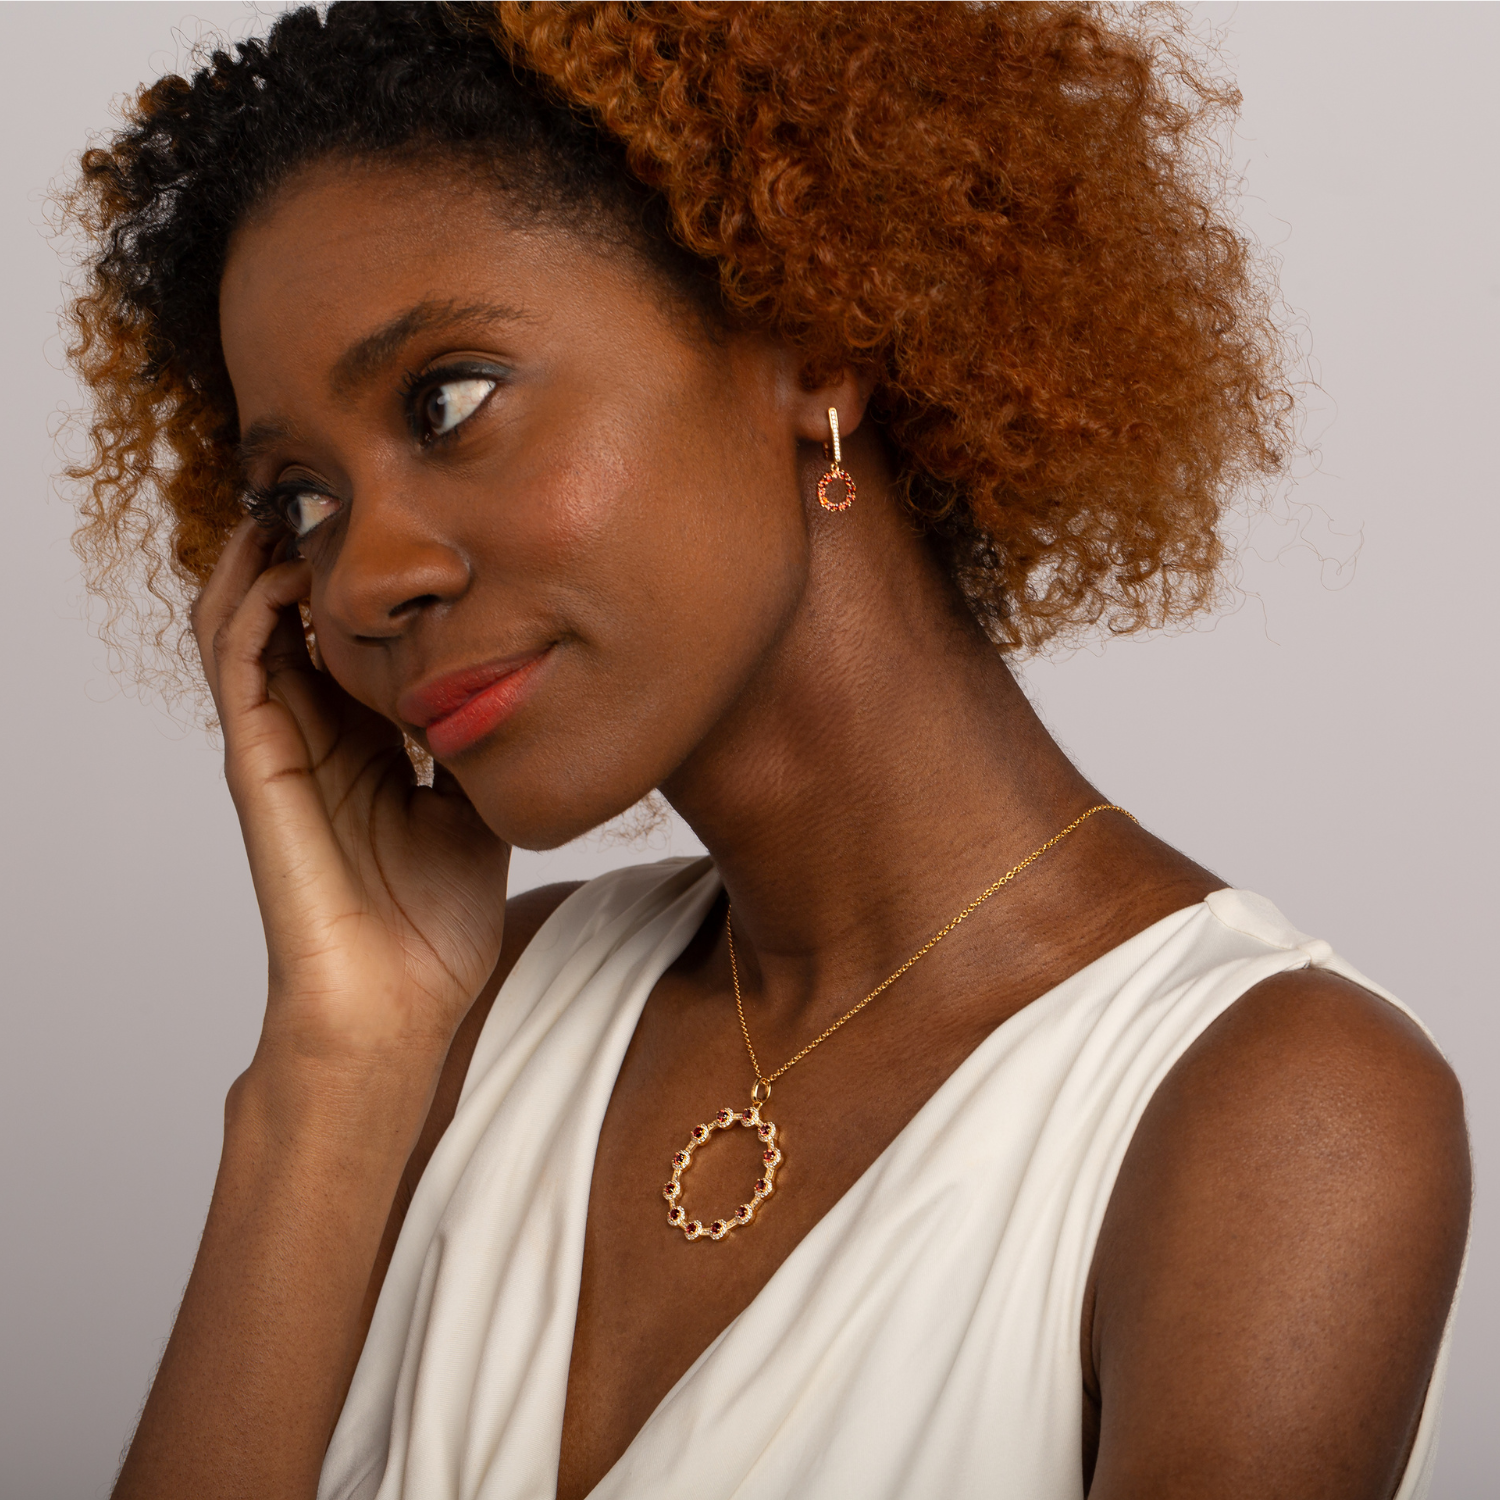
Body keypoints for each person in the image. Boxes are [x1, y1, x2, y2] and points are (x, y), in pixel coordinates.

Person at [63, 4, 1469, 1498]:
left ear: (809, 344)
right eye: (298, 502)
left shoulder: (1273, 1114)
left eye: (449, 399)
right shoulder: (456, 1032)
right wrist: (336, 1061)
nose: (358, 583)